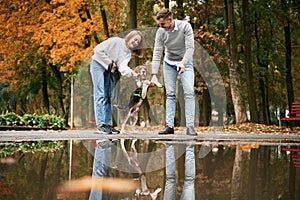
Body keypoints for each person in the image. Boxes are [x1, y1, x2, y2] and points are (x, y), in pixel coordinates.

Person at [150, 8, 197, 135]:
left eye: (163, 24)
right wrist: (154, 74)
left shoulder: (185, 26)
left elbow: (190, 48)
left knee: (189, 92)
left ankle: (190, 127)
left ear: (170, 20)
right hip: (169, 63)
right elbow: (157, 52)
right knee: (170, 94)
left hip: (185, 62)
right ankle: (169, 126)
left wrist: (183, 62)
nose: (161, 27)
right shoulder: (161, 32)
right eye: (160, 24)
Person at [90, 30, 145, 134]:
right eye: (135, 39)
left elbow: (123, 67)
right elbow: (97, 50)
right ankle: (100, 124)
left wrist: (132, 73)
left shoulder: (127, 54)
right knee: (100, 93)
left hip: (109, 70)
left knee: (109, 97)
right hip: (97, 65)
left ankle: (106, 124)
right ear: (130, 37)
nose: (136, 42)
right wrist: (109, 61)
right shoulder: (116, 41)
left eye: (138, 42)